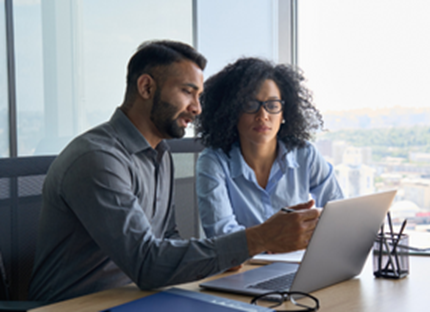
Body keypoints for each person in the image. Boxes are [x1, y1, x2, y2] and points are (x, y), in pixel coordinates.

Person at [28, 41, 321, 303]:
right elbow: (146, 263)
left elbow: (167, 238)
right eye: (187, 92)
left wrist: (225, 255)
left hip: (140, 297)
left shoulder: (160, 154)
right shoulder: (98, 158)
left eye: (199, 96)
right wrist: (257, 239)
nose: (197, 108)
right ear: (146, 88)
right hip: (80, 305)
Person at [195, 57, 343, 238]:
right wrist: (270, 240)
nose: (263, 115)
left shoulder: (305, 154)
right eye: (250, 105)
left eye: (272, 105)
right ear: (232, 112)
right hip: (245, 266)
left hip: (300, 262)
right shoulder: (213, 162)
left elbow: (338, 212)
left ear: (283, 114)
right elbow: (221, 236)